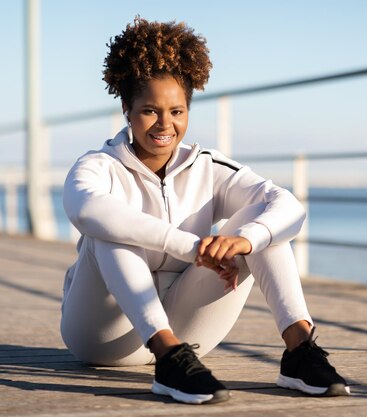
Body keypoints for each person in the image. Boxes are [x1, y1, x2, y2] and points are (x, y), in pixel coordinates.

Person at [60, 17, 349, 405]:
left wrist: (246, 241)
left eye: (177, 111)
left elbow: (288, 207)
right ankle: (167, 360)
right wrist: (192, 247)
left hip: (189, 332)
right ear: (127, 109)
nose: (165, 124)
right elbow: (88, 210)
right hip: (102, 336)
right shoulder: (98, 166)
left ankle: (299, 351)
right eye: (150, 110)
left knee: (259, 224)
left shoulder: (208, 166)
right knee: (107, 231)